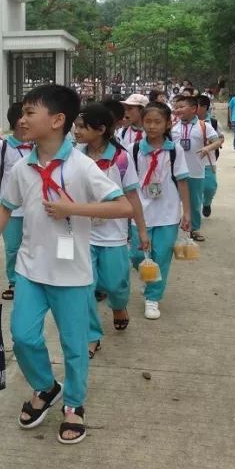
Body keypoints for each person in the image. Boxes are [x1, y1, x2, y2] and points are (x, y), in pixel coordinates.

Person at [0, 85, 131, 445]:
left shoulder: (82, 166)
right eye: (23, 113)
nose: (22, 119)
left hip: (72, 275)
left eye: (31, 112)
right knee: (23, 336)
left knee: (75, 345)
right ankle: (46, 387)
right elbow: (5, 206)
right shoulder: (22, 166)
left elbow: (122, 206)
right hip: (31, 270)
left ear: (58, 120)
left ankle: (75, 405)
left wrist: (72, 209)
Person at [73, 103, 149, 357]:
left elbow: (132, 197)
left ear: (101, 129)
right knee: (85, 288)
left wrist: (142, 230)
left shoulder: (121, 158)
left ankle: (119, 305)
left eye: (82, 127)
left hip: (114, 234)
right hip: (83, 233)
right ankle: (92, 336)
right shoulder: (75, 155)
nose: (76, 131)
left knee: (116, 284)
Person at [128, 102, 191, 320]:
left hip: (167, 212)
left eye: (157, 122)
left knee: (161, 256)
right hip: (141, 212)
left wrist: (187, 212)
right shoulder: (134, 149)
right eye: (148, 121)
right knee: (137, 255)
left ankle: (152, 298)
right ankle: (148, 277)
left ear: (167, 124)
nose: (152, 126)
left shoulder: (175, 150)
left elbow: (182, 181)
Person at [0, 102, 32, 300]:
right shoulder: (2, 146)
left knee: (32, 245)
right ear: (18, 121)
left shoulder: (37, 145)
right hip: (10, 208)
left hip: (35, 207)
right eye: (26, 115)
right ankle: (14, 281)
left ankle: (30, 280)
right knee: (12, 247)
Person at [172, 95, 222, 242]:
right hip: (175, 172)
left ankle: (194, 229)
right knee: (173, 201)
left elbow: (218, 140)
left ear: (193, 109)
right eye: (177, 107)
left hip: (195, 171)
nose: (178, 109)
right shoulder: (173, 126)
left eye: (182, 106)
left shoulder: (203, 126)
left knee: (195, 202)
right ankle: (171, 228)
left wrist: (208, 148)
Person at [198, 95, 223, 219]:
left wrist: (210, 145)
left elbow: (220, 138)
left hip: (208, 161)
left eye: (196, 106)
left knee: (210, 187)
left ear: (204, 107)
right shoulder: (185, 122)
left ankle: (206, 203)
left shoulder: (213, 122)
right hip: (191, 161)